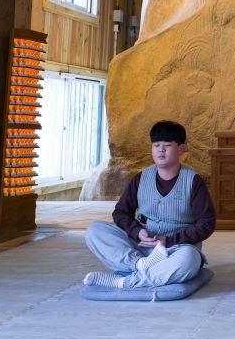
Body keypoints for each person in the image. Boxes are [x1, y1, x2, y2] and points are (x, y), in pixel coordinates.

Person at [83, 120, 216, 289]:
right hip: (141, 248)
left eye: (167, 145)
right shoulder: (141, 178)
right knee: (95, 230)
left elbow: (206, 223)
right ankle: (139, 265)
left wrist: (169, 240)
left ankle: (125, 282)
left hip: (176, 249)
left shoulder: (193, 181)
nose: (161, 149)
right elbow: (121, 213)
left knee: (189, 260)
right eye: (156, 145)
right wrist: (137, 232)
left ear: (181, 149)